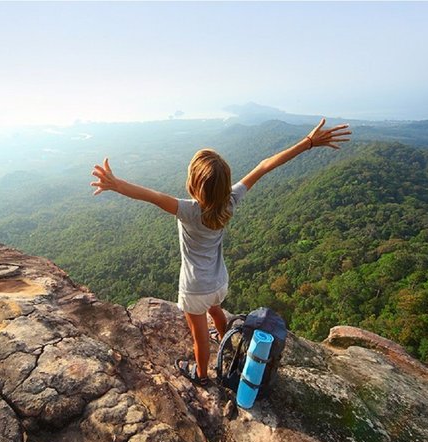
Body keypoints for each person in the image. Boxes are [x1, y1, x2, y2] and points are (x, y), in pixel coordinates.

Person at [90, 118, 351, 386]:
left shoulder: (189, 210)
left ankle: (201, 375)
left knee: (199, 338)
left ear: (194, 185)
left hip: (194, 289)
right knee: (215, 309)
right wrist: (307, 143)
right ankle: (225, 340)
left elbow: (153, 196)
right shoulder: (230, 201)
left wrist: (116, 184)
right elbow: (264, 167)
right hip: (218, 283)